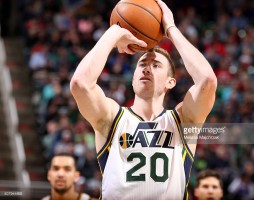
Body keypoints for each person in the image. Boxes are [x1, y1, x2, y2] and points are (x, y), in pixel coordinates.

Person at [70, 0, 217, 199]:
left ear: (170, 82)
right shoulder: (112, 117)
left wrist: (171, 29)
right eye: (142, 64)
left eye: (156, 65)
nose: (147, 68)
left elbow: (207, 80)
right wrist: (114, 33)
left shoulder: (182, 122)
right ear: (132, 78)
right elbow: (80, 83)